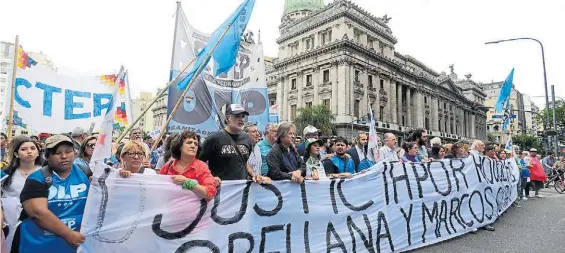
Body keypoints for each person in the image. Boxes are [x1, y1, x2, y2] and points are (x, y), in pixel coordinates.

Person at [15, 135, 89, 253]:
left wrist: (123, 175)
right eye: (57, 153)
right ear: (47, 156)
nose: (64, 156)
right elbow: (38, 213)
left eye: (68, 151)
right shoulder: (36, 179)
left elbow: (105, 193)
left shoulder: (85, 172)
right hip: (40, 245)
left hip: (76, 245)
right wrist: (68, 233)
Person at [199, 104, 266, 183]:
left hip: (241, 189)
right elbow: (200, 163)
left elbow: (244, 162)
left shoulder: (246, 138)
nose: (241, 119)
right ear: (227, 118)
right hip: (220, 189)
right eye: (237, 116)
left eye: (243, 116)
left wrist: (253, 175)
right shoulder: (213, 138)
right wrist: (209, 178)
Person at [1, 136, 43, 248]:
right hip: (11, 223)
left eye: (33, 148)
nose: (29, 152)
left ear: (38, 152)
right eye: (23, 149)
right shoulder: (6, 174)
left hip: (40, 220)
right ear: (16, 154)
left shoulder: (46, 172)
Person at [158, 130, 217, 200]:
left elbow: (210, 193)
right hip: (169, 209)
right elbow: (159, 188)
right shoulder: (168, 166)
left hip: (193, 211)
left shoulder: (202, 167)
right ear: (179, 146)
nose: (193, 146)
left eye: (196, 144)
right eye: (189, 143)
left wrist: (187, 182)